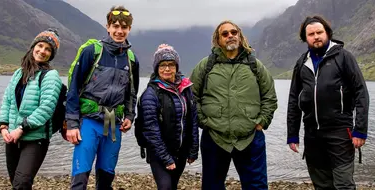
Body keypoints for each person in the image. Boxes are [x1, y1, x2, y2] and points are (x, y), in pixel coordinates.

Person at [190, 20, 278, 190]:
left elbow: (269, 96)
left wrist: (262, 121)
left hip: (250, 137)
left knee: (256, 186)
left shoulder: (255, 65)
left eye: (233, 32)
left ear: (239, 36)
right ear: (218, 39)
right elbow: (191, 96)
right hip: (215, 137)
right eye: (225, 34)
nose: (230, 36)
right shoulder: (206, 66)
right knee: (212, 186)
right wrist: (203, 121)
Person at [287, 15, 369, 190]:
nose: (316, 36)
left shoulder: (344, 57)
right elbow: (294, 99)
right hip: (312, 135)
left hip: (340, 132)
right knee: (322, 184)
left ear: (327, 33)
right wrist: (292, 133)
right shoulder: (301, 63)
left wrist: (360, 130)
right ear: (305, 38)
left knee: (344, 184)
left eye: (319, 32)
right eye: (311, 34)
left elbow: (361, 92)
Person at [65, 5, 139, 190]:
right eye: (115, 26)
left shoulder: (131, 59)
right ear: (108, 27)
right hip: (88, 121)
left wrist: (130, 116)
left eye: (124, 27)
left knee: (106, 177)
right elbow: (73, 88)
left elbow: (131, 92)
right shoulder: (92, 52)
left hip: (113, 122)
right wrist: (72, 124)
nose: (119, 31)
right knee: (80, 177)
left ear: (129, 29)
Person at [0, 29, 62, 189]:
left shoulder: (51, 76)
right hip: (12, 137)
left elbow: (46, 108)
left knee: (22, 182)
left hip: (36, 138)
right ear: (33, 46)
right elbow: (7, 101)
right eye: (40, 45)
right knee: (16, 183)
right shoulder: (19, 73)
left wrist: (21, 128)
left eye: (48, 49)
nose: (42, 51)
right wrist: (3, 126)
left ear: (51, 54)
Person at [139, 44, 199, 190]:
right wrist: (166, 158)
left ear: (176, 67)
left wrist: (193, 150)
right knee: (165, 187)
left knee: (173, 186)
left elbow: (193, 120)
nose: (167, 69)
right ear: (156, 68)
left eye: (171, 65)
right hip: (158, 153)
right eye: (163, 65)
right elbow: (151, 130)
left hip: (181, 151)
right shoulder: (151, 94)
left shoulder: (185, 89)